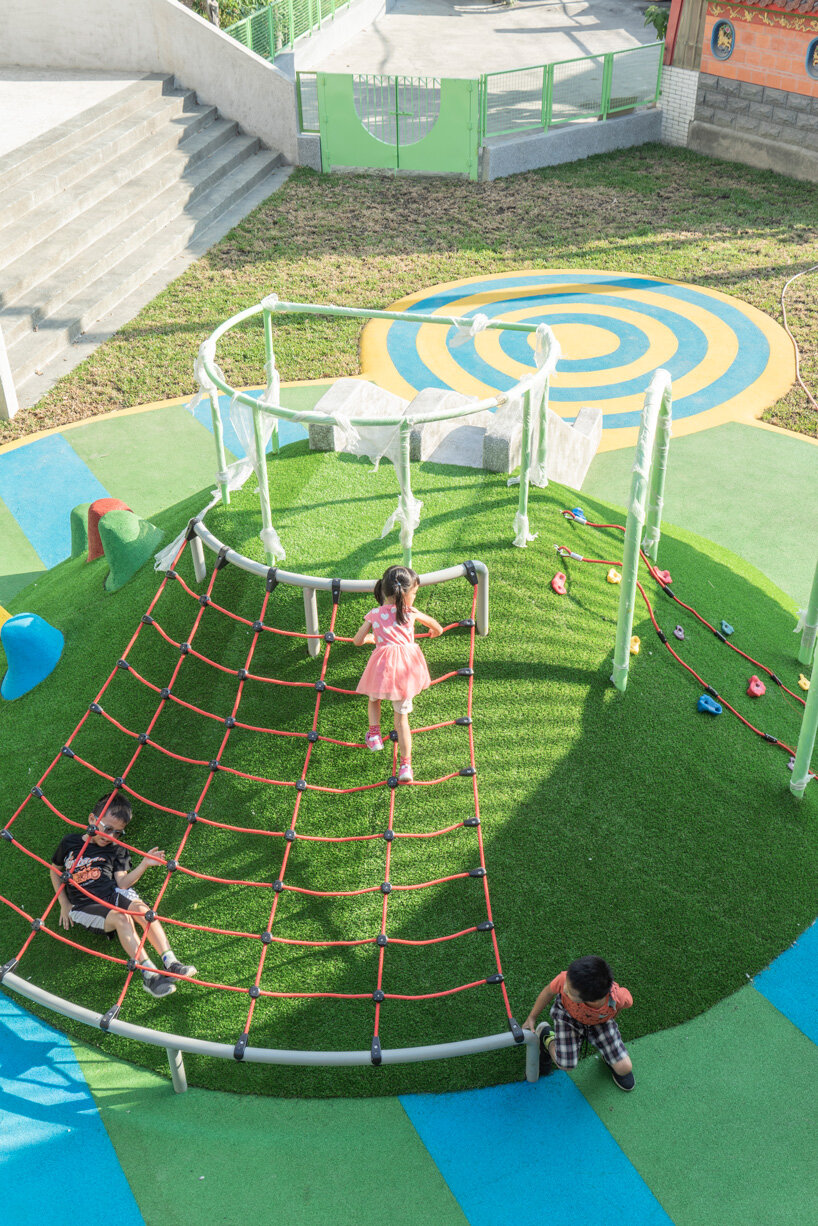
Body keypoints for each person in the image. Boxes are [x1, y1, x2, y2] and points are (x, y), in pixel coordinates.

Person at [49, 792, 197, 999]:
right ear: (92, 820)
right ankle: (150, 976)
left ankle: (171, 962)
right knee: (121, 918)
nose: (110, 836)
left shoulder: (115, 849)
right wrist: (64, 903)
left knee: (143, 911)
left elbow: (122, 882)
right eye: (107, 828)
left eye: (117, 833)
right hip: (83, 905)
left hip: (112, 893)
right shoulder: (70, 843)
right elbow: (55, 869)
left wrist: (144, 864)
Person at [353, 564, 443, 783]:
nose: (414, 598)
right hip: (405, 670)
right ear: (406, 594)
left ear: (384, 590)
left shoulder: (374, 614)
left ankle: (374, 734)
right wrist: (433, 631)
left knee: (373, 698)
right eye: (414, 593)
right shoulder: (410, 612)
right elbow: (437, 628)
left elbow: (356, 641)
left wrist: (367, 639)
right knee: (402, 719)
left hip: (382, 668)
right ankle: (405, 766)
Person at [522, 955, 635, 1091]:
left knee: (625, 1068)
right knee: (565, 1065)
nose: (563, 989)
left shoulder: (618, 998)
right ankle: (547, 1036)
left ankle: (608, 1057)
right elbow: (548, 992)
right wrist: (532, 1017)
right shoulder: (566, 979)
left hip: (600, 1022)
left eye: (569, 992)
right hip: (568, 1017)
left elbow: (623, 1005)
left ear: (590, 1000)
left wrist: (610, 1020)